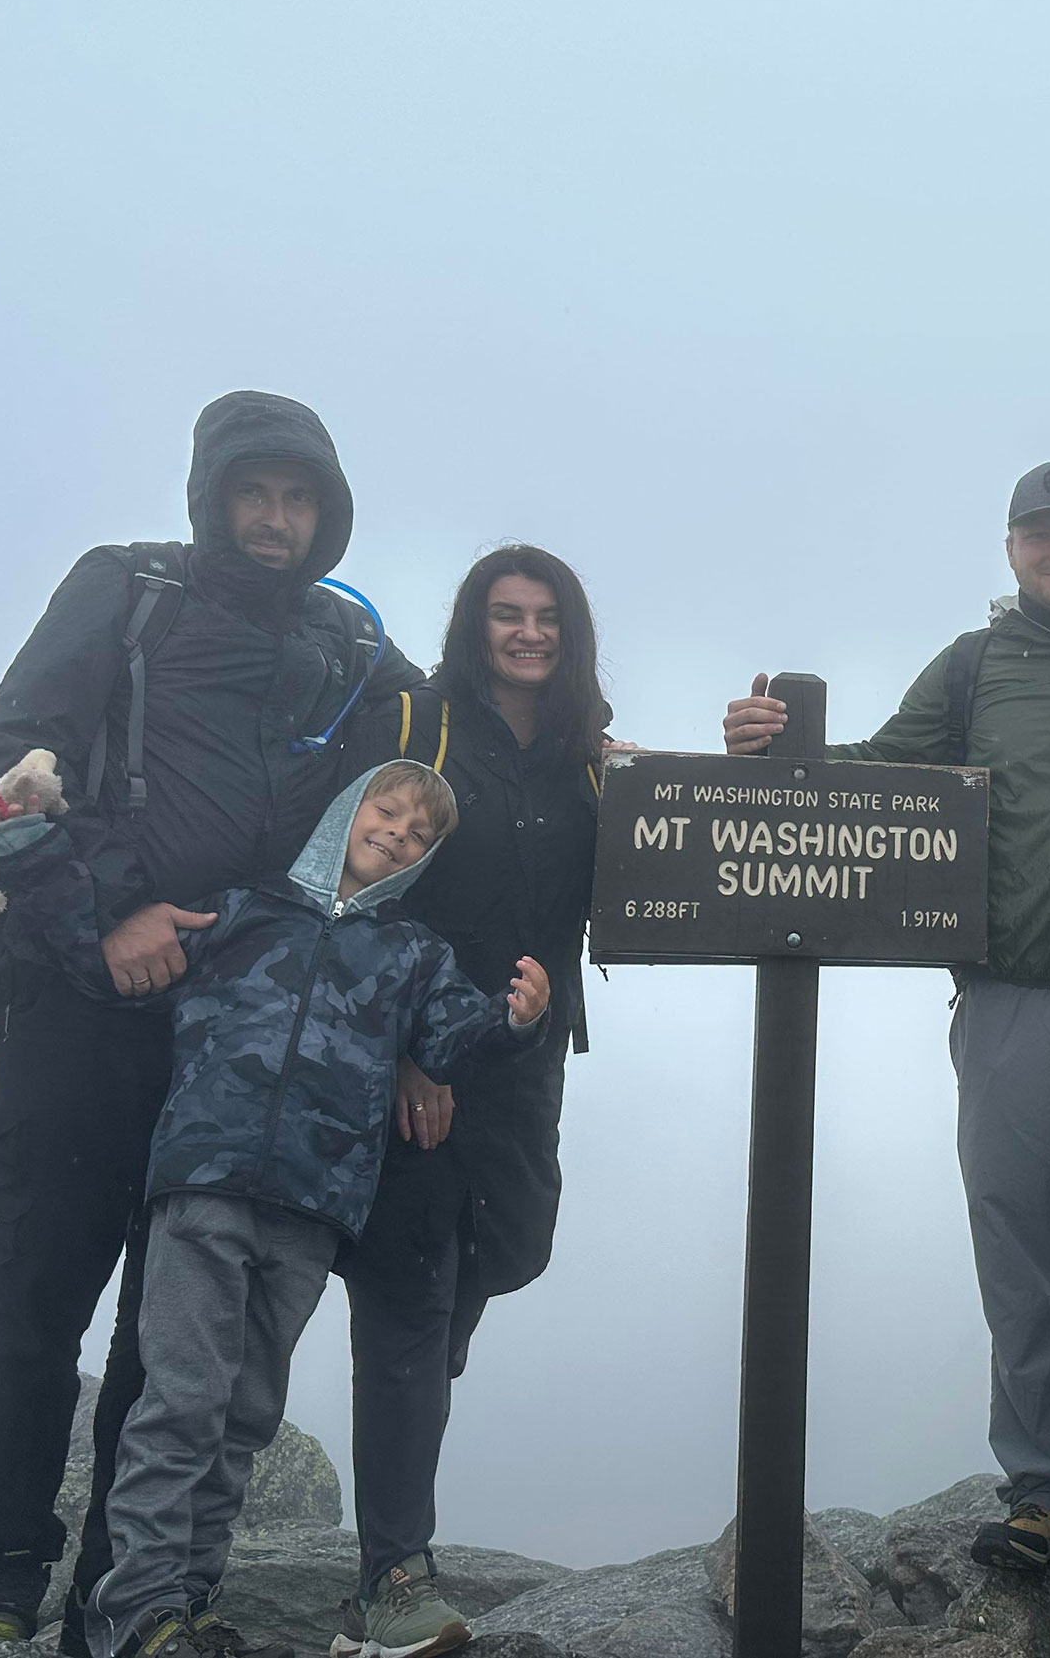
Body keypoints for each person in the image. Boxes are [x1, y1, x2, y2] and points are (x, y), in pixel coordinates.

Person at [0, 392, 422, 1648]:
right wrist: (112, 914)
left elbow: (460, 743)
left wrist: (605, 746)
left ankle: (127, 1599)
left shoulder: (350, 647)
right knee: (37, 1302)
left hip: (229, 1041)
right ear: (213, 497)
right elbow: (13, 761)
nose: (275, 519)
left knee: (177, 1336)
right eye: (255, 494)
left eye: (299, 499)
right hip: (72, 1006)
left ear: (327, 516)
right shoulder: (125, 588)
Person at [721, 461, 1050, 1643]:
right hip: (1004, 1004)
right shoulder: (976, 666)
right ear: (1013, 546)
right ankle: (1042, 1497)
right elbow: (876, 768)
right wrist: (776, 746)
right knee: (1018, 1261)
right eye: (1040, 534)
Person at [0, 760, 552, 1658]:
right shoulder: (240, 910)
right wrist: (20, 843)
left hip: (313, 1207)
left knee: (244, 1413)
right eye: (385, 809)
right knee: (184, 1400)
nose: (397, 831)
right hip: (204, 1187)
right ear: (344, 812)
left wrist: (517, 1020)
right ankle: (138, 1608)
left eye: (419, 831)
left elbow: (452, 1040)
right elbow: (108, 956)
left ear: (424, 858)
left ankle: (190, 1604)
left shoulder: (411, 955)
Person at [332, 547, 610, 1658]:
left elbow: (643, 859)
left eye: (546, 616)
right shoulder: (422, 720)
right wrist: (408, 1052)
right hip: (419, 1061)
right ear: (473, 622)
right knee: (409, 1286)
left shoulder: (588, 745)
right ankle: (394, 1572)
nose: (527, 633)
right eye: (506, 614)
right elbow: (364, 880)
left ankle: (401, 1499)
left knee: (503, 1253)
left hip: (525, 1059)